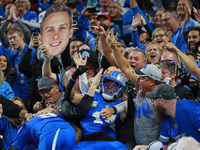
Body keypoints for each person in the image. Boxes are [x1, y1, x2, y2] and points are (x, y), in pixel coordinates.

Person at [62, 67, 128, 149]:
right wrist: (74, 77)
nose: (110, 87)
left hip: (110, 143)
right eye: (108, 83)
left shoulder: (122, 104)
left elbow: (129, 107)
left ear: (121, 89)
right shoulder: (91, 95)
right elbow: (71, 97)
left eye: (115, 85)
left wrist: (114, 109)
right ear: (102, 83)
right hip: (87, 141)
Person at [145, 84, 200, 149]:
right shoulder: (165, 119)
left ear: (162, 101)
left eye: (153, 99)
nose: (153, 102)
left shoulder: (192, 110)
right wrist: (145, 147)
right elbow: (163, 146)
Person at [10, 107, 76, 150]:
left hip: (51, 133)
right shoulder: (54, 114)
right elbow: (78, 130)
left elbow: (13, 148)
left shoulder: (25, 127)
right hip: (71, 133)